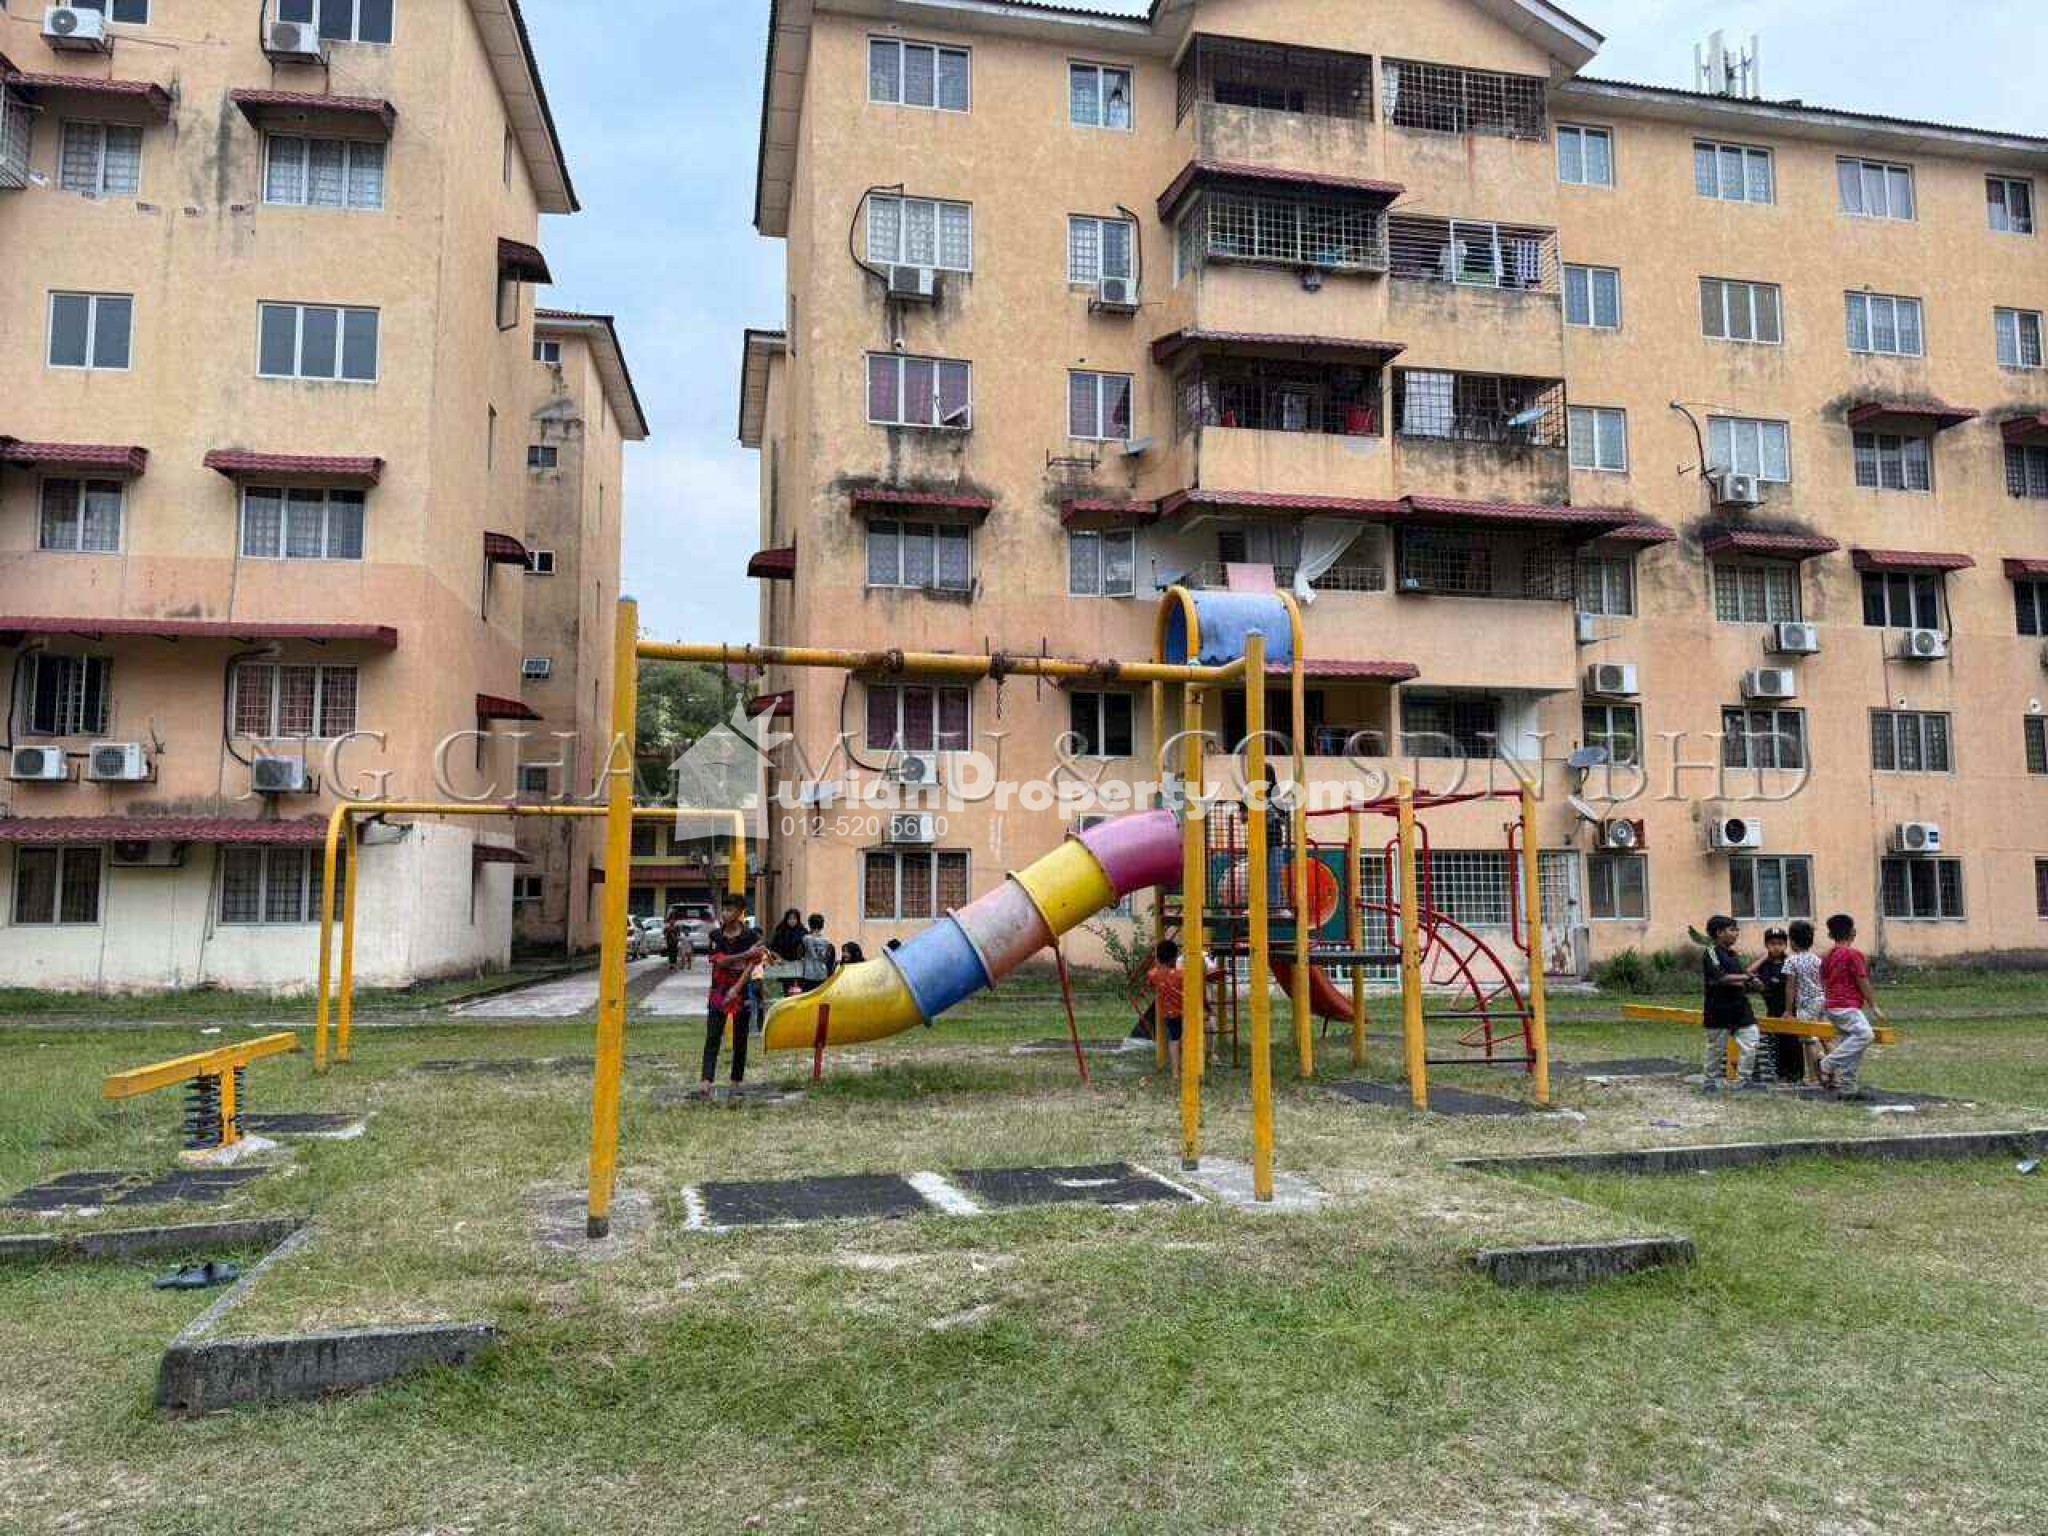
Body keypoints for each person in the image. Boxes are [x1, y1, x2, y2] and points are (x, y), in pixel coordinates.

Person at [702, 894, 767, 1096]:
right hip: (718, 991)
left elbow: (751, 965)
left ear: (740, 912)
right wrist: (745, 955)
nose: (725, 913)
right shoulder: (716, 936)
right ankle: (706, 1080)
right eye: (724, 909)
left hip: (741, 991)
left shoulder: (751, 937)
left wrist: (736, 988)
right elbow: (720, 961)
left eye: (730, 910)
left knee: (741, 1038)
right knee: (713, 1035)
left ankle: (736, 1080)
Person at [1818, 913, 1881, 1096]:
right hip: (1847, 1006)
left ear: (1830, 935)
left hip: (1832, 1007)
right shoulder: (1854, 955)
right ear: (1853, 933)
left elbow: (1824, 981)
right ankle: (1826, 1064)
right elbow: (1862, 980)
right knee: (1865, 1035)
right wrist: (1873, 1005)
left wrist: (1828, 1002)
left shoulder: (1827, 956)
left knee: (1851, 1044)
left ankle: (1848, 1087)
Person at [1700, 915, 1762, 1092]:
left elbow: (1740, 979)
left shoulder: (1733, 954)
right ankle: (1710, 1081)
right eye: (1732, 930)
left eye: (1737, 929)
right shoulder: (1711, 952)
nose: (1736, 933)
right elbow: (1721, 977)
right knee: (1716, 1049)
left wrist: (1753, 983)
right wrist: (1747, 977)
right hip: (1718, 1008)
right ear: (1719, 933)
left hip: (1740, 1007)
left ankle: (1744, 1080)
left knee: (1751, 1040)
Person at [1748, 927, 1794, 1084]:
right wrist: (1764, 958)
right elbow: (1748, 972)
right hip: (1772, 1008)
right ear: (1766, 945)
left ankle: (1793, 1074)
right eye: (1772, 944)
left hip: (1788, 1009)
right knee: (1775, 1042)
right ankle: (1779, 1073)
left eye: (1780, 943)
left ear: (1786, 945)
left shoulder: (1789, 962)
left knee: (1791, 1042)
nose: (1776, 947)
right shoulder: (1764, 964)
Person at [1143, 939, 1192, 1080]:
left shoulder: (1153, 974)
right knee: (1186, 1038)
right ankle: (1188, 1067)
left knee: (1174, 1040)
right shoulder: (1181, 974)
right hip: (1185, 1011)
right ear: (1174, 958)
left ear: (1158, 958)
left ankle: (1175, 1073)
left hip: (1168, 1012)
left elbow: (1149, 984)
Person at [1784, 919, 1826, 1085]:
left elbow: (1790, 988)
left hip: (1806, 1004)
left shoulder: (1792, 961)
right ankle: (1835, 1073)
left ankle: (1813, 1077)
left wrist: (1789, 1011)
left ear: (1792, 941)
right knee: (1825, 1037)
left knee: (1809, 1040)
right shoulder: (1818, 960)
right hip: (1821, 1000)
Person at [769, 908, 808, 997]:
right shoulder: (780, 931)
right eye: (790, 918)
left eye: (794, 918)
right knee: (785, 991)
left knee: (797, 992)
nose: (792, 921)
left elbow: (806, 949)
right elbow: (772, 948)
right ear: (786, 919)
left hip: (798, 966)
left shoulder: (803, 932)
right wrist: (779, 958)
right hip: (783, 965)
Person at [799, 913, 837, 992]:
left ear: (810, 925)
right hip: (822, 974)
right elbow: (828, 957)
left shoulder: (806, 939)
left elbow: (800, 952)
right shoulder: (827, 940)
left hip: (809, 974)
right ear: (822, 926)